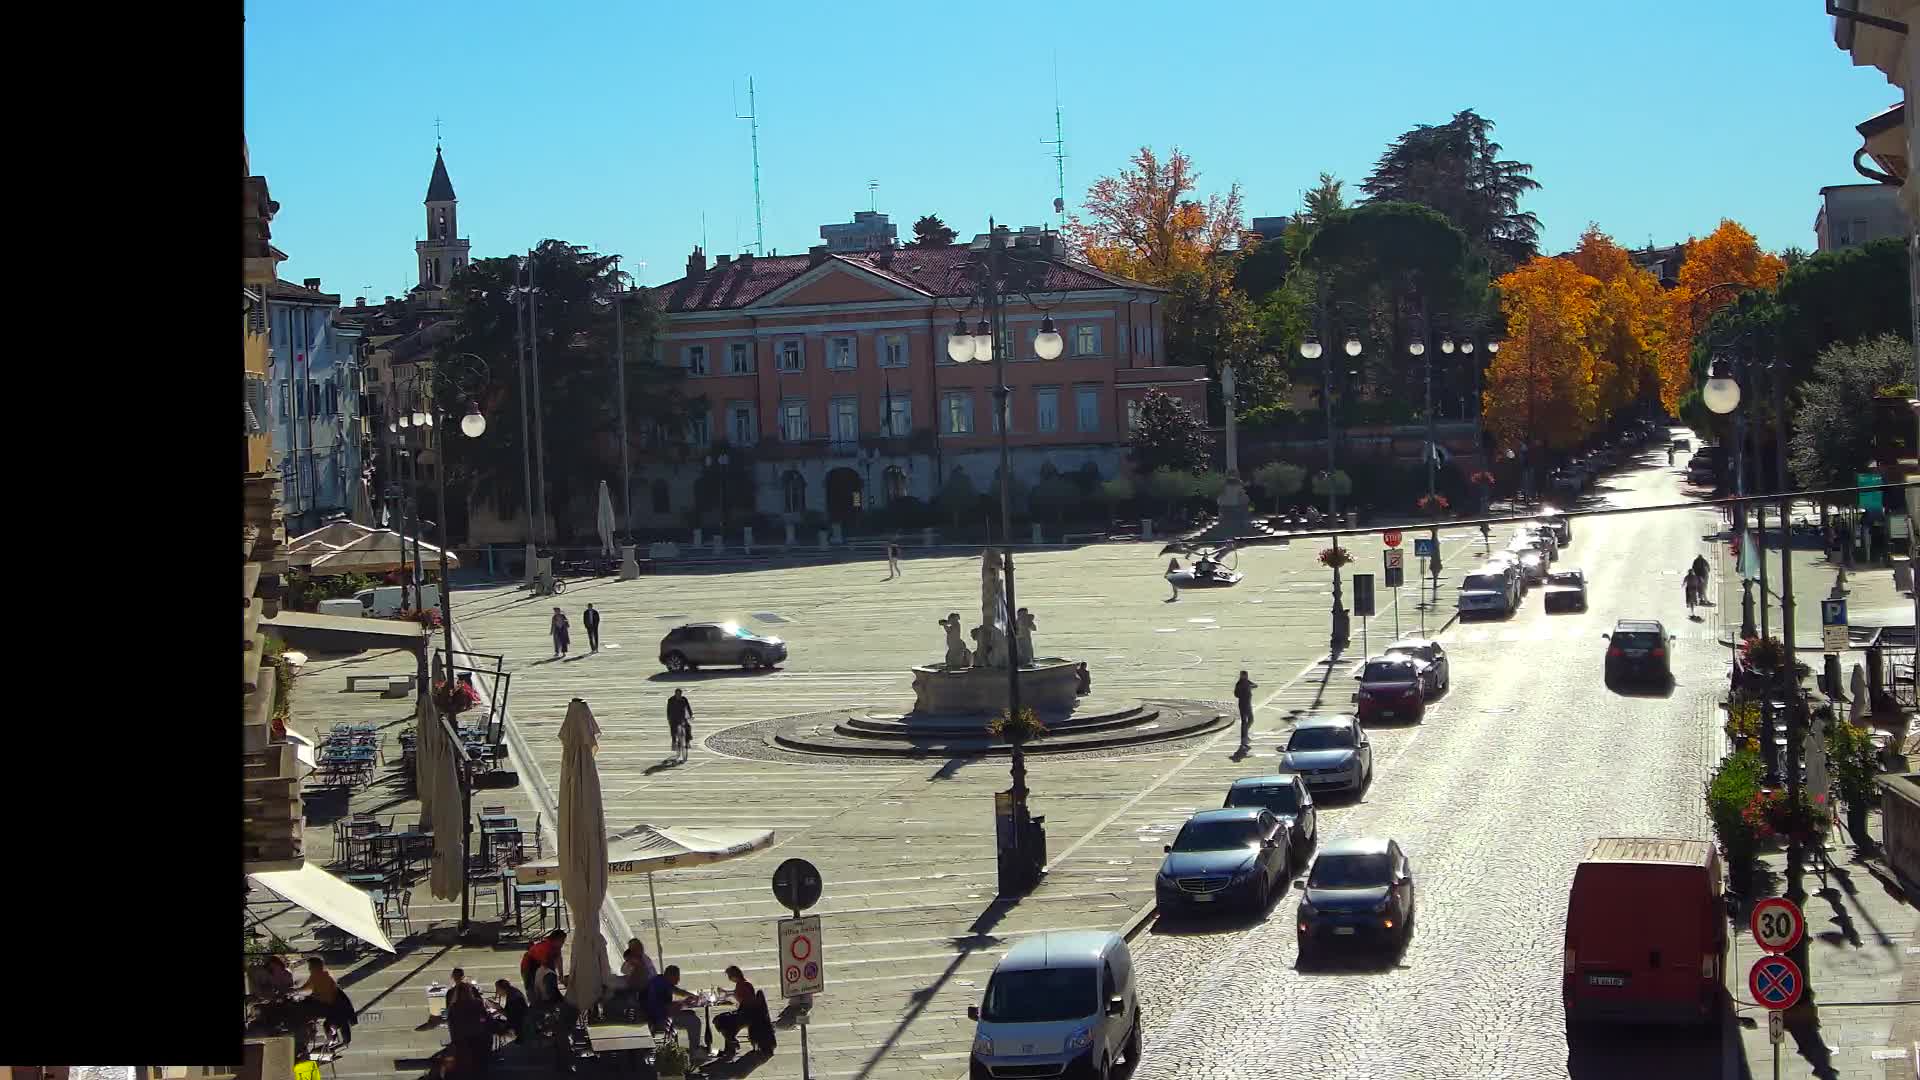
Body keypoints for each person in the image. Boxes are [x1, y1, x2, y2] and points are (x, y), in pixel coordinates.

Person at [644, 965, 705, 1056]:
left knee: (691, 1014)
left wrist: (693, 996)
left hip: (663, 1014)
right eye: (677, 977)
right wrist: (684, 1003)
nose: (678, 980)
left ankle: (694, 1049)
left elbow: (678, 991)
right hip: (660, 1018)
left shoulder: (662, 980)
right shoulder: (659, 986)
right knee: (694, 1021)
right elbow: (667, 1008)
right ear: (670, 975)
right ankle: (694, 1051)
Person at [296, 957, 356, 1047]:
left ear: (316, 966)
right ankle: (332, 1036)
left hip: (327, 1006)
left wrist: (299, 993)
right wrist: (297, 991)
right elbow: (308, 987)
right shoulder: (321, 974)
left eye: (310, 966)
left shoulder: (320, 976)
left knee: (301, 1012)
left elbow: (323, 996)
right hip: (333, 1006)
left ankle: (308, 1035)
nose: (309, 969)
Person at [446, 977, 493, 1077]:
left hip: (461, 1040)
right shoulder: (477, 1003)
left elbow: (451, 1024)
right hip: (478, 1038)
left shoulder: (454, 1007)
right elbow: (485, 1018)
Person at [712, 965, 758, 1059]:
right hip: (746, 1013)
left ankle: (732, 1045)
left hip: (747, 1014)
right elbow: (736, 994)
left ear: (734, 975)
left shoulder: (743, 985)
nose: (729, 978)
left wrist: (727, 996)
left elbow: (742, 998)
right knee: (726, 1022)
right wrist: (727, 994)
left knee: (720, 1020)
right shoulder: (742, 984)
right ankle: (730, 1048)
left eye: (729, 976)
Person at [520, 929, 567, 1003]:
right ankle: (535, 1004)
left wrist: (561, 975)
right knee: (533, 989)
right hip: (529, 966)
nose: (563, 943)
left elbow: (558, 959)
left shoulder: (557, 946)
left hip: (541, 965)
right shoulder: (545, 947)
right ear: (556, 939)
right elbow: (546, 967)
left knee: (549, 984)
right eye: (562, 940)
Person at [667, 689, 693, 764]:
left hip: (682, 718)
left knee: (688, 727)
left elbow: (688, 707)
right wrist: (669, 719)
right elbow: (668, 710)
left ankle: (688, 741)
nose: (678, 696)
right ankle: (674, 742)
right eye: (677, 694)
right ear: (675, 694)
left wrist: (691, 715)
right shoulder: (671, 700)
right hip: (674, 719)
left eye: (680, 694)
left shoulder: (684, 699)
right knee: (673, 730)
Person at [1234, 671, 1257, 750]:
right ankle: (1244, 739)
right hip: (1243, 704)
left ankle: (1245, 735)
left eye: (1245, 675)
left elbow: (1255, 685)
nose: (1245, 677)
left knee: (1251, 719)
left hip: (1248, 703)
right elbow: (1236, 694)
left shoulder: (1247, 682)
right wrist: (1243, 693)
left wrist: (1250, 687)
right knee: (1244, 721)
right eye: (1244, 675)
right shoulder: (1239, 684)